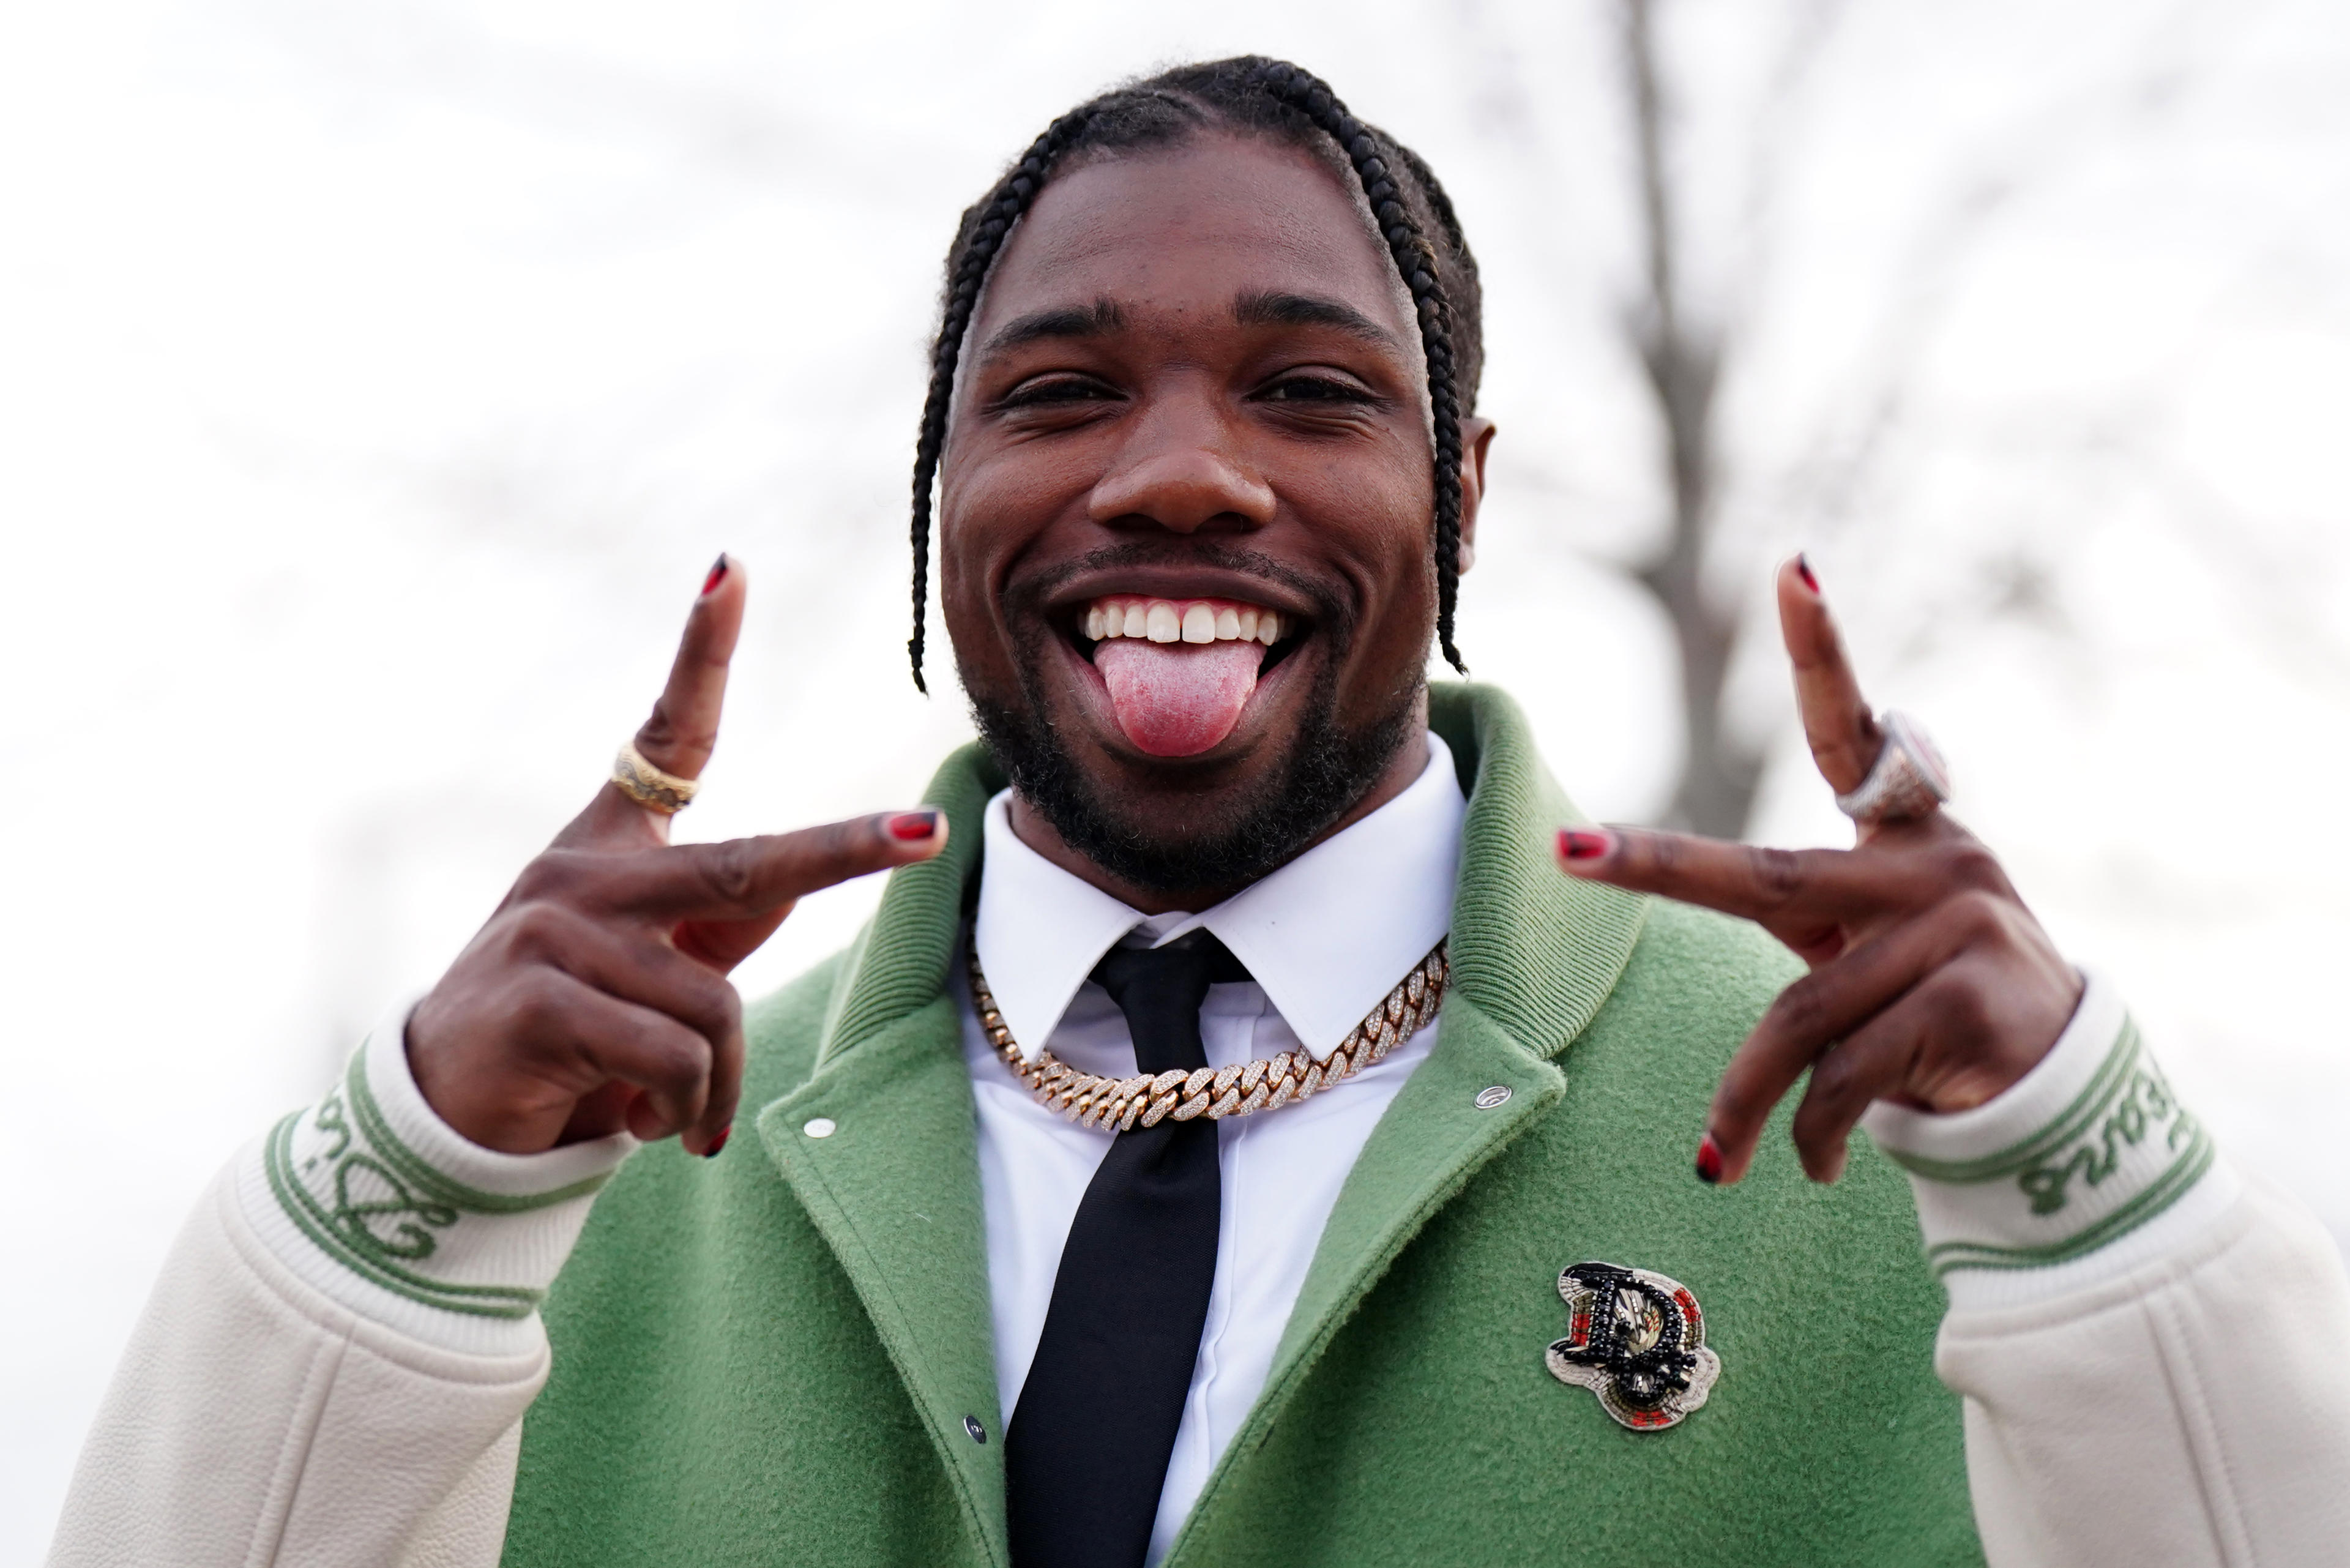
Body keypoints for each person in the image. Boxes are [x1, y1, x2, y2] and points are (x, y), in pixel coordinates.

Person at [49, 56, 2350, 1568]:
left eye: (1309, 387)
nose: (1174, 469)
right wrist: (416, 1180)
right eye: (1056, 393)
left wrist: (2087, 1173)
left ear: (1457, 495)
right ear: (942, 498)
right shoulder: (632, 1172)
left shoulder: (1858, 1136)